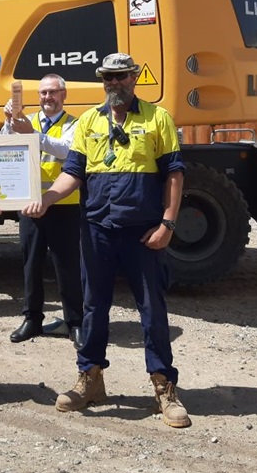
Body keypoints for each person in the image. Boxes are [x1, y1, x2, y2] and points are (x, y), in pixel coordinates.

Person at [22, 53, 190, 429]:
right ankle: (90, 378)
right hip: (96, 228)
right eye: (108, 79)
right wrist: (47, 198)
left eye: (121, 77)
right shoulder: (88, 122)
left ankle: (164, 385)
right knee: (93, 306)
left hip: (143, 232)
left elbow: (175, 175)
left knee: (153, 310)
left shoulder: (157, 118)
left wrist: (167, 224)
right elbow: (73, 173)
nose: (114, 84)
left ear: (134, 78)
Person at [0, 73, 84, 348]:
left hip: (64, 205)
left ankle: (75, 322)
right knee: (30, 265)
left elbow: (67, 150)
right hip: (29, 206)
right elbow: (4, 148)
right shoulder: (28, 121)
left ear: (64, 95)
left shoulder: (75, 124)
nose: (48, 97)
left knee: (67, 266)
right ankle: (32, 318)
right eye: (44, 93)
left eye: (53, 92)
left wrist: (32, 135)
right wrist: (8, 123)